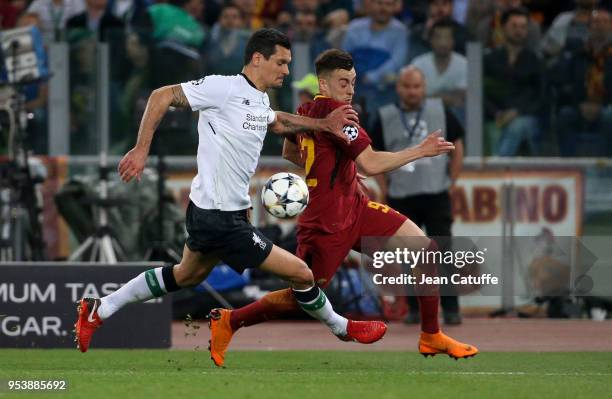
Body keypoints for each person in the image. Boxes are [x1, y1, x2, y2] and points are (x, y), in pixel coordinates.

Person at [74, 29, 387, 365]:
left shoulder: (260, 99)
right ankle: (341, 328)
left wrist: (323, 124)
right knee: (302, 274)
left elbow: (277, 122)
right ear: (257, 59)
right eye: (281, 62)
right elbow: (161, 95)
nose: (285, 70)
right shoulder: (222, 88)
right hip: (217, 217)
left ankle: (100, 309)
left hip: (218, 211)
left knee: (186, 275)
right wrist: (140, 149)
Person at [208, 49, 479, 366]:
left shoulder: (307, 111)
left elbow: (290, 152)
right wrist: (420, 150)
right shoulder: (342, 118)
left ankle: (431, 335)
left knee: (425, 249)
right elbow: (374, 163)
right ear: (323, 84)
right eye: (342, 83)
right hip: (325, 223)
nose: (350, 90)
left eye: (353, 82)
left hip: (356, 207)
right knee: (302, 297)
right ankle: (229, 321)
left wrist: (341, 168)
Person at [371, 66, 464, 325]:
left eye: (416, 87)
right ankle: (414, 309)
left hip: (436, 193)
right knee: (408, 257)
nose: (412, 92)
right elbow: (371, 154)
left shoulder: (441, 110)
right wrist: (383, 186)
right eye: (406, 86)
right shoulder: (384, 116)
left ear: (424, 88)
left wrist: (452, 181)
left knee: (443, 252)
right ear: (398, 88)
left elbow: (458, 145)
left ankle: (452, 308)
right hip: (401, 195)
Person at [483, 7, 543, 156]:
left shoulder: (534, 60)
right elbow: (481, 92)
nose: (519, 31)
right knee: (494, 131)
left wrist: (517, 112)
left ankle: (498, 169)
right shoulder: (490, 59)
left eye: (523, 27)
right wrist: (496, 113)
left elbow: (541, 95)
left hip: (526, 116)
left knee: (518, 126)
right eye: (514, 26)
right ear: (503, 28)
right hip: (495, 115)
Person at [411, 18, 468, 126]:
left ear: (453, 41)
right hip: (423, 114)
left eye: (447, 37)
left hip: (455, 116)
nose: (443, 42)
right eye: (438, 37)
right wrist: (446, 97)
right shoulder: (418, 63)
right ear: (430, 40)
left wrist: (429, 97)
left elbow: (460, 99)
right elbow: (415, 98)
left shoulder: (464, 64)